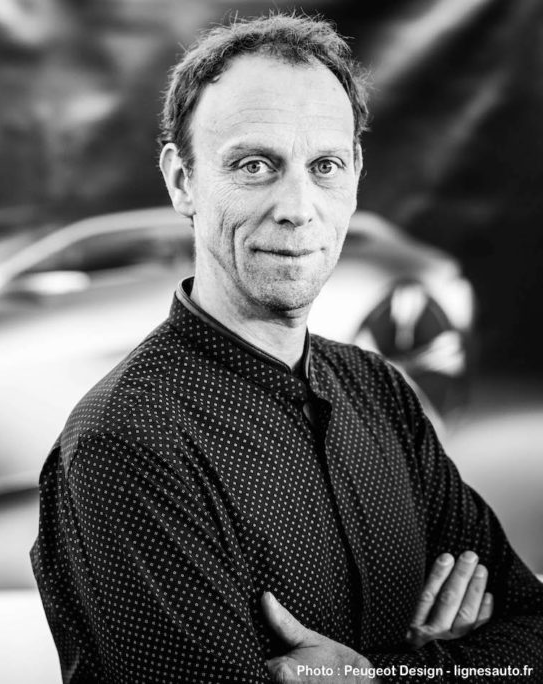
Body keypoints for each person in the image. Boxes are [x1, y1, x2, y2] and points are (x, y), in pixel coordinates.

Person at [30, 13, 543, 684]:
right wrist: (456, 667)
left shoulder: (380, 391)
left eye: (325, 166)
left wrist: (383, 674)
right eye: (254, 165)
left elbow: (534, 629)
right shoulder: (127, 441)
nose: (298, 207)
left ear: (355, 176)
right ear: (182, 181)